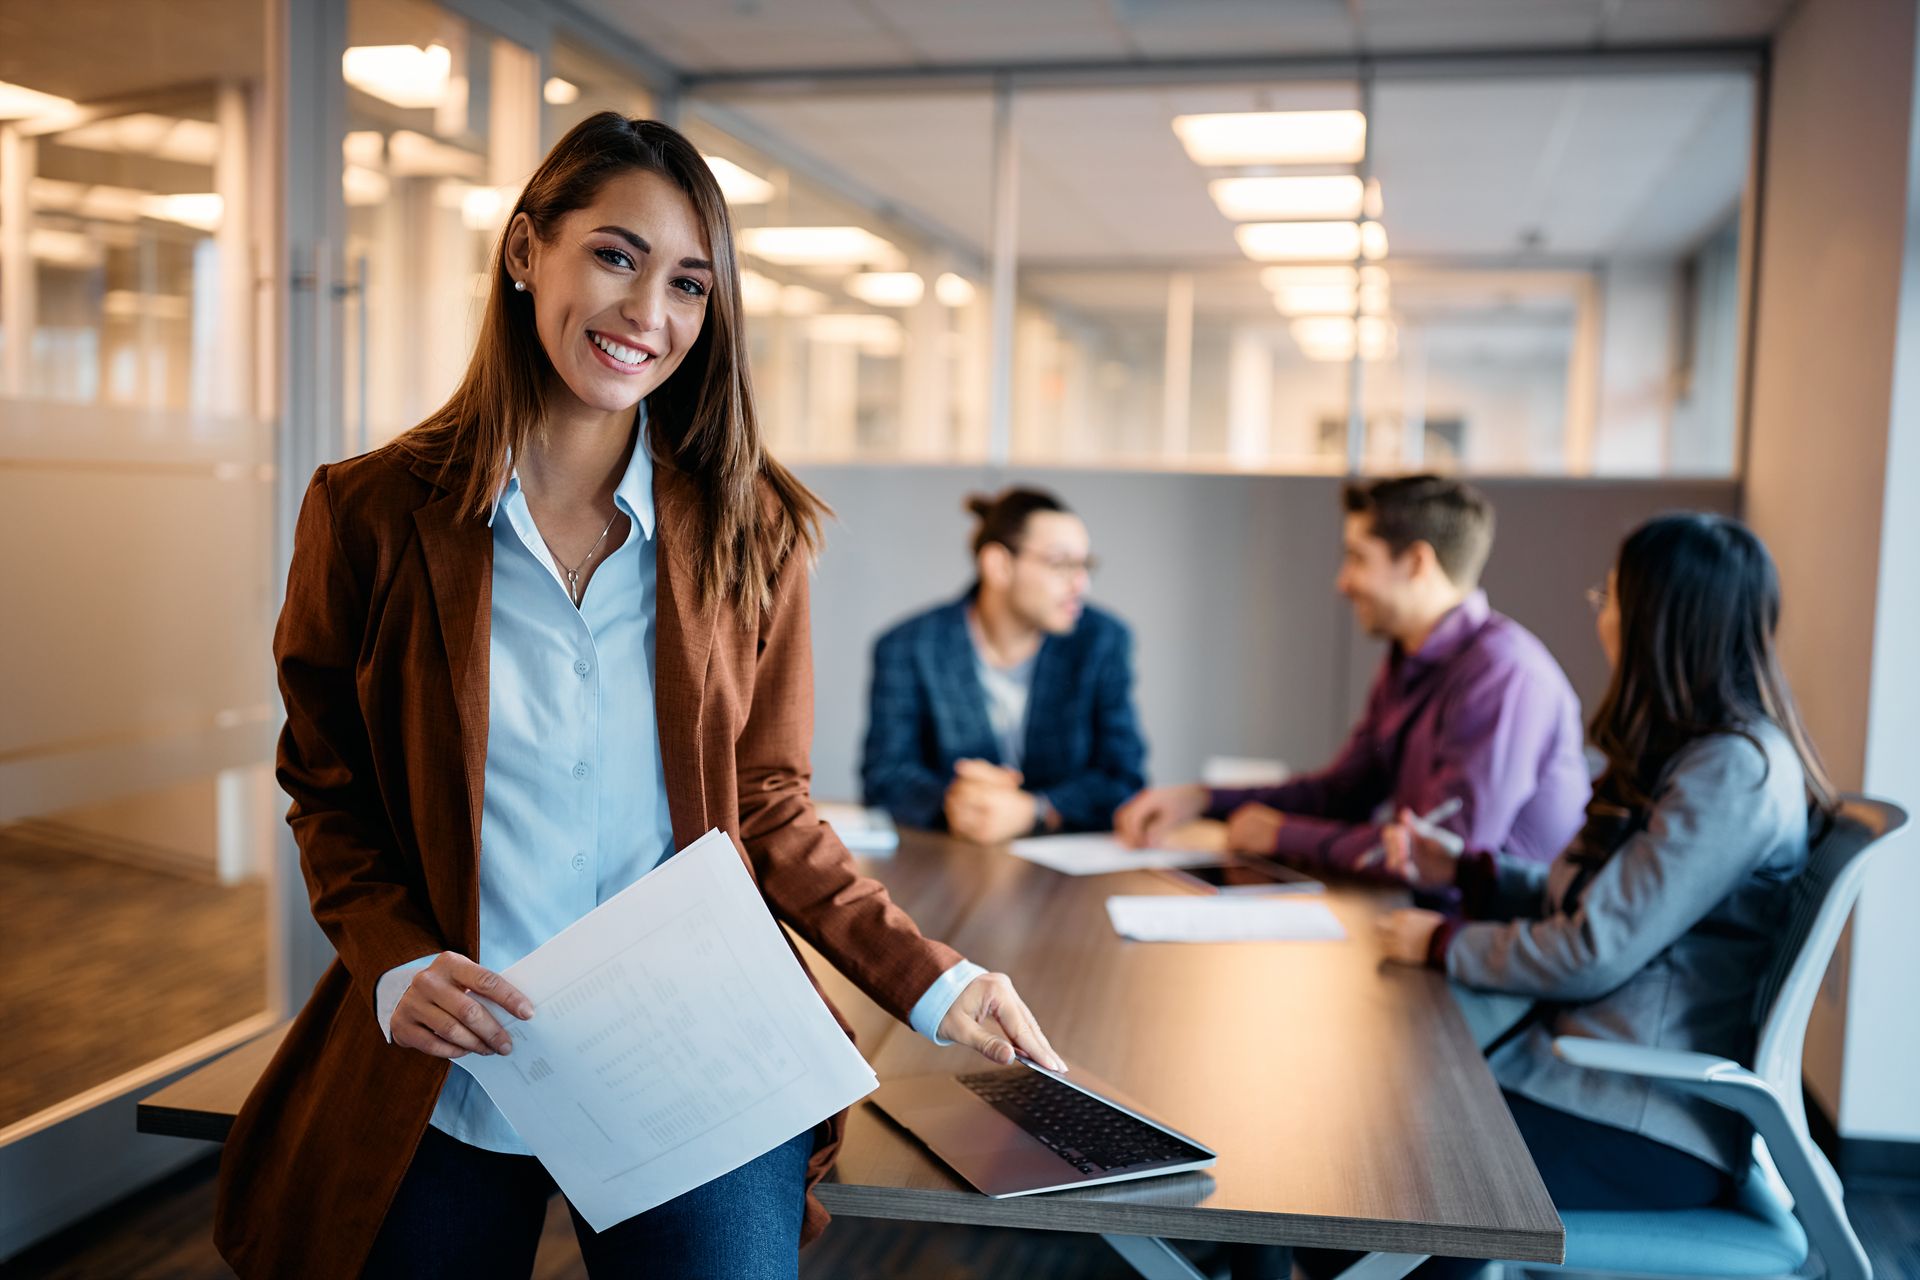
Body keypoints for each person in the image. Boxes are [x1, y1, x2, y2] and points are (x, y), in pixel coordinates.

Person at [214, 114, 1062, 1280]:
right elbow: (328, 783)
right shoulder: (367, 512)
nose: (646, 315)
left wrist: (933, 977)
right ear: (526, 251)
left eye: (688, 284)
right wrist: (395, 956)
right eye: (615, 255)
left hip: (693, 1042)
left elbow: (767, 802)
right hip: (461, 1047)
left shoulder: (751, 530)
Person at [1371, 513, 1831, 1279]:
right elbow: (1609, 905)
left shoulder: (1732, 773)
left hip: (1644, 1122)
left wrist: (1442, 941)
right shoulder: (1702, 756)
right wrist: (1471, 874)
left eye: (1610, 595)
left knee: (1388, 1174)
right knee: (1377, 1142)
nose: (1602, 613)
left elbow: (1593, 950)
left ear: (1657, 617)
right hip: (1591, 1084)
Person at [1114, 474, 1589, 874]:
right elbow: (1344, 793)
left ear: (1418, 563)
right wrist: (1203, 800)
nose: (1342, 582)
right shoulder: (1410, 657)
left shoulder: (1503, 675)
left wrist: (1280, 835)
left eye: (1358, 557)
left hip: (1483, 950)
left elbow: (1439, 854)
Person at [860, 486, 1147, 843]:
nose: (1081, 584)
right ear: (998, 565)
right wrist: (957, 802)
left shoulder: (1102, 641)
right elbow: (885, 775)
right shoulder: (908, 647)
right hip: (946, 865)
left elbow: (1124, 776)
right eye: (1062, 564)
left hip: (1064, 875)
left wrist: (1035, 810)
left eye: (1085, 565)